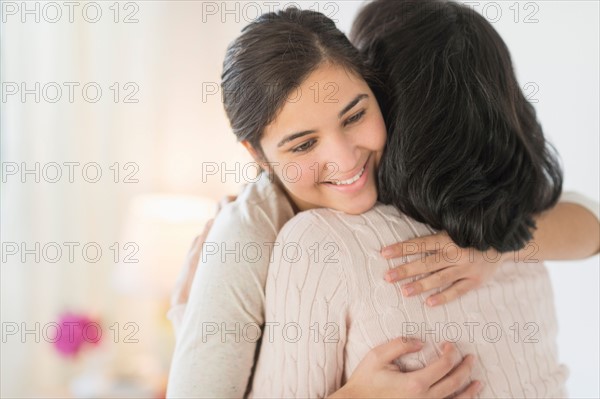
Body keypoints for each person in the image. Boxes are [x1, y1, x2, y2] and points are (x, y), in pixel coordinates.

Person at [166, 6, 600, 398]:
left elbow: (591, 224)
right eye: (302, 145)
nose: (344, 158)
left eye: (355, 116)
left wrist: (493, 245)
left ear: (382, 97)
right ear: (257, 155)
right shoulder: (249, 237)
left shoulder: (491, 211)